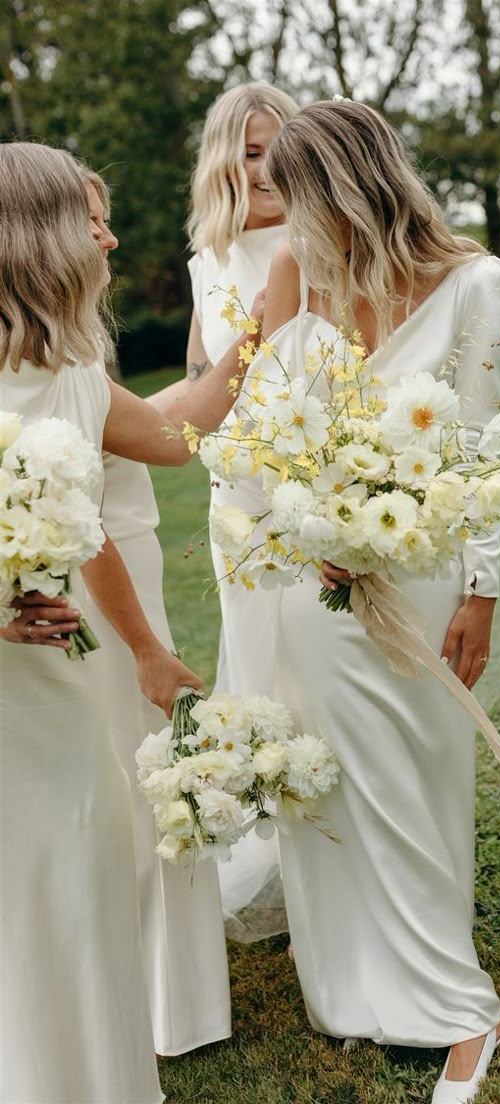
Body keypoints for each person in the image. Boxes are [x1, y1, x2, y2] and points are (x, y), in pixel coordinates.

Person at [254, 100, 500, 1104]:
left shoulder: (477, 284)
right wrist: (301, 527)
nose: (286, 223)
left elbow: (481, 448)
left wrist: (481, 595)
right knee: (333, 782)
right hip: (308, 580)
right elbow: (265, 428)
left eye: (295, 198)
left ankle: (459, 1005)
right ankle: (355, 986)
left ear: (344, 186)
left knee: (413, 781)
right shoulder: (304, 281)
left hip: (420, 568)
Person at [0, 140, 247, 1104]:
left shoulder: (71, 376)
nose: (107, 241)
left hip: (55, 684)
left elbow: (172, 436)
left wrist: (257, 333)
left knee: (86, 853)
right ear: (48, 236)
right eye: (88, 221)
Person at [81, 165, 232, 1056]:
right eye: (93, 223)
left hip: (97, 579)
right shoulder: (50, 356)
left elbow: (142, 417)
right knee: (138, 779)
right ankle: (167, 1007)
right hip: (108, 594)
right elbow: (170, 439)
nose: (110, 239)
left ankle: (133, 993)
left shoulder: (59, 347)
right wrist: (254, 343)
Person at [150, 81, 298, 942]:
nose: (266, 164)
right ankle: (276, 843)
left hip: (315, 483)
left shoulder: (323, 238)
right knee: (257, 661)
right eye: (248, 150)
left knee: (321, 659)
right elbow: (204, 379)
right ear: (221, 161)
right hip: (236, 496)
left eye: (279, 146)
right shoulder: (208, 259)